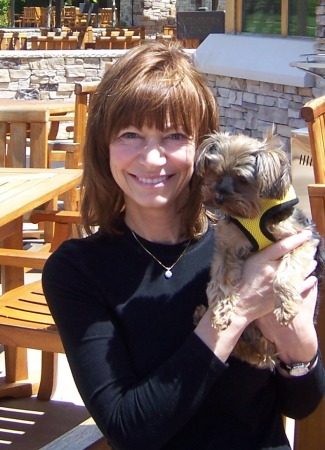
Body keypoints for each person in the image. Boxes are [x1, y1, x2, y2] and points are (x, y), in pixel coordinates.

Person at [42, 41, 325, 450]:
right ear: (104, 147)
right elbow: (130, 431)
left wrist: (297, 340)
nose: (153, 158)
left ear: (203, 148)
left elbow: (302, 404)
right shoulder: (78, 272)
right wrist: (239, 308)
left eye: (174, 136)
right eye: (130, 135)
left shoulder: (259, 244)